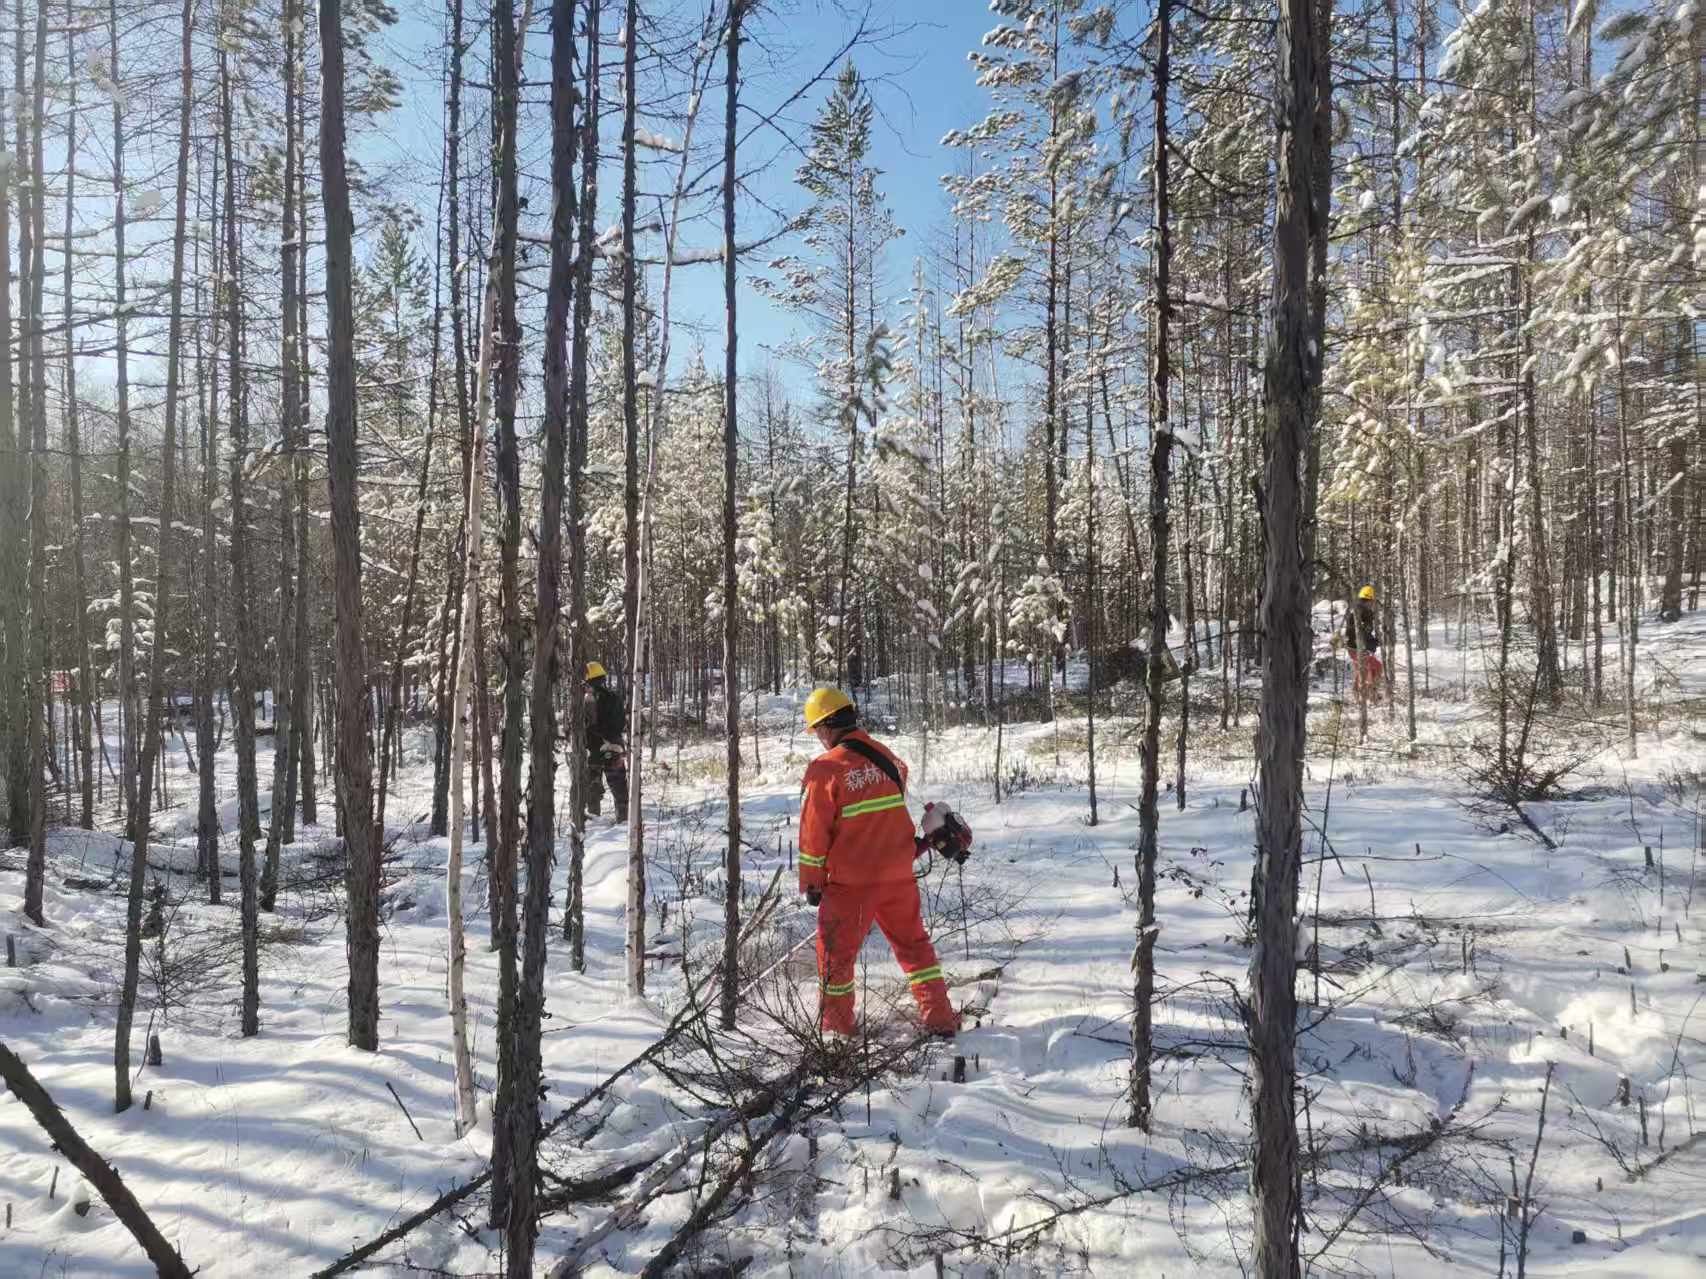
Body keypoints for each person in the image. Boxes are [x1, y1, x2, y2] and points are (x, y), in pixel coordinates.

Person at [797, 687, 959, 1038]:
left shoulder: (824, 769)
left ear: (826, 726)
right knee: (915, 949)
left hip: (851, 884)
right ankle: (940, 1019)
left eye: (817, 731)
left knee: (835, 958)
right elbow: (885, 813)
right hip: (898, 875)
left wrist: (811, 882)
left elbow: (813, 834)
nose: (819, 738)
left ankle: (837, 1031)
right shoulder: (889, 758)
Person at [583, 661, 628, 822]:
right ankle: (624, 819)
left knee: (592, 787)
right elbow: (621, 723)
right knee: (619, 785)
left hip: (594, 749)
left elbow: (583, 726)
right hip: (615, 746)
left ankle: (594, 821)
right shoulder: (615, 697)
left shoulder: (586, 700)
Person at [1338, 585, 1384, 700]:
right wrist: (1371, 644)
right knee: (1375, 667)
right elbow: (1362, 632)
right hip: (1358, 647)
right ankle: (1370, 694)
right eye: (1372, 601)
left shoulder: (1356, 610)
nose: (1373, 604)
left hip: (1353, 646)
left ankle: (1359, 695)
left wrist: (1372, 642)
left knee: (1361, 671)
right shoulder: (1363, 612)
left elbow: (1359, 632)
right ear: (1369, 600)